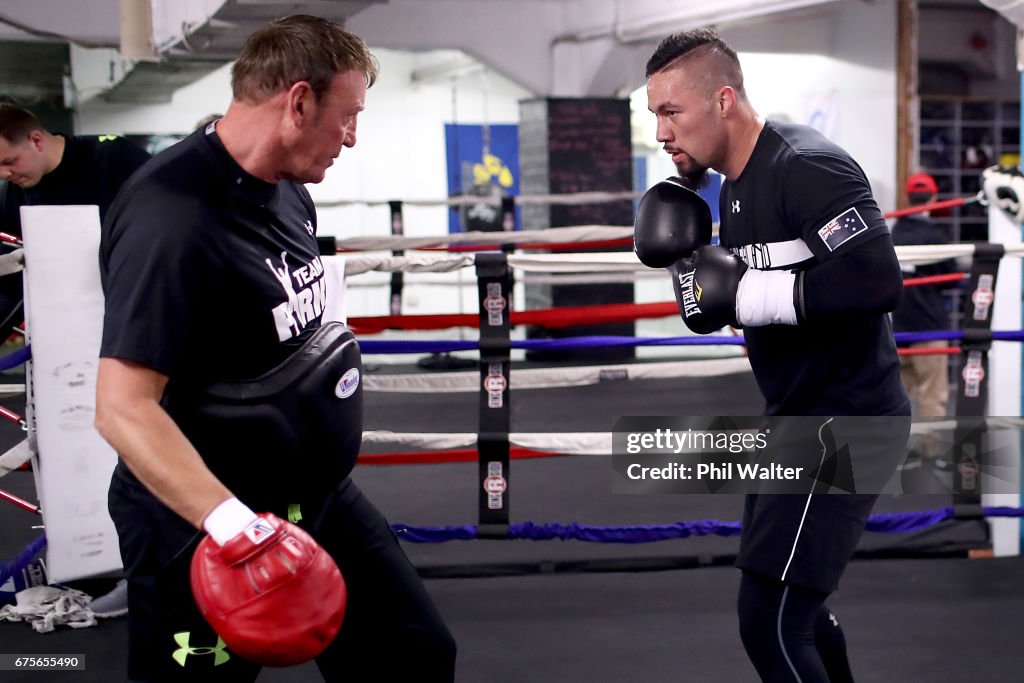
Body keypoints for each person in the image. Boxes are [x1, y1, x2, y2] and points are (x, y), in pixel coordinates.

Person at [94, 15, 456, 681]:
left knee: (413, 654)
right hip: (204, 520)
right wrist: (233, 524)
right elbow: (121, 408)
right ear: (298, 101)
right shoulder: (170, 216)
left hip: (309, 493)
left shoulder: (290, 191)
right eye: (347, 116)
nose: (351, 137)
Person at [637, 28, 910, 682]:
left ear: (723, 100)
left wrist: (753, 296)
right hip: (794, 419)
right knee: (803, 613)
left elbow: (877, 280)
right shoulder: (732, 186)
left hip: (847, 423)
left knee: (770, 620)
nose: (660, 133)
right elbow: (761, 298)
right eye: (654, 116)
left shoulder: (805, 166)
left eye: (671, 112)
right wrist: (722, 297)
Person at [0, 103, 151, 617]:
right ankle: (126, 570)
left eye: (8, 159)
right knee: (94, 461)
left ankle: (161, 578)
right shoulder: (13, 193)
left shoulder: (117, 159)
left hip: (144, 334)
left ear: (36, 139)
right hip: (71, 350)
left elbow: (167, 235)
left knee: (148, 457)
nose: (6, 174)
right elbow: (9, 279)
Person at [891, 173, 957, 469]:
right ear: (933, 199)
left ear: (908, 198)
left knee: (897, 395)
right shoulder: (933, 236)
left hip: (899, 328)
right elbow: (951, 274)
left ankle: (893, 453)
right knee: (933, 394)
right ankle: (931, 455)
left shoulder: (893, 232)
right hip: (929, 326)